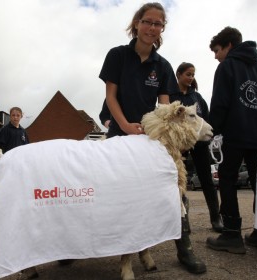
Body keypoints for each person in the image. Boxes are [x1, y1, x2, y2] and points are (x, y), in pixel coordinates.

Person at [99, 2, 206, 274]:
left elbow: (166, 109)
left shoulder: (164, 66)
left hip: (149, 137)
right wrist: (124, 125)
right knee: (113, 193)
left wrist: (157, 130)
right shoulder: (117, 55)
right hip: (120, 134)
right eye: (147, 21)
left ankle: (185, 248)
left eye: (158, 24)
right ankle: (82, 245)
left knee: (173, 187)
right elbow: (110, 97)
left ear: (162, 29)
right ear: (137, 23)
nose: (152, 28)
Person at [205, 26, 257, 254]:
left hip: (235, 134)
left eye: (217, 50)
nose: (216, 56)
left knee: (227, 179)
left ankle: (231, 234)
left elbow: (220, 103)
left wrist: (212, 129)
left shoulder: (226, 67)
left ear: (229, 46)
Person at [170, 62, 223, 233]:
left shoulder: (197, 98)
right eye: (188, 74)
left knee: (207, 180)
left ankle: (216, 218)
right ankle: (183, 221)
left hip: (199, 145)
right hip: (181, 147)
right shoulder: (171, 96)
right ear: (178, 74)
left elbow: (205, 119)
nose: (191, 78)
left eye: (193, 74)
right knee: (180, 181)